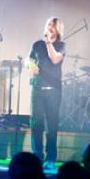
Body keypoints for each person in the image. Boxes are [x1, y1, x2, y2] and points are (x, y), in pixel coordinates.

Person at [27, 17, 65, 170]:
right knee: (36, 125)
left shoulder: (61, 46)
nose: (49, 27)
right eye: (48, 24)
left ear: (58, 29)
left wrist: (49, 42)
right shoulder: (37, 44)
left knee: (51, 127)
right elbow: (28, 60)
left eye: (53, 26)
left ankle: (50, 159)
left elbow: (55, 59)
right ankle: (37, 157)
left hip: (53, 91)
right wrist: (30, 65)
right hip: (37, 89)